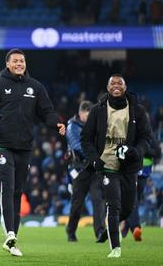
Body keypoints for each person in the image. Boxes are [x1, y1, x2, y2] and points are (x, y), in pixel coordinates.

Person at [0, 49, 65, 257]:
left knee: (18, 192)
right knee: (7, 187)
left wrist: (56, 124)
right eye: (16, 61)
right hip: (2, 145)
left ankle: (12, 239)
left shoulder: (35, 87)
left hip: (25, 147)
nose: (20, 64)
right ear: (7, 64)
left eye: (22, 61)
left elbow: (46, 111)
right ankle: (9, 232)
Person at [81, 74, 153, 258]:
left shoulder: (137, 110)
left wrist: (136, 151)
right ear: (107, 87)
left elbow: (146, 137)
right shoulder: (97, 110)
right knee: (113, 205)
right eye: (112, 83)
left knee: (128, 208)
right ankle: (115, 247)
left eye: (119, 83)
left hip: (129, 166)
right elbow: (86, 139)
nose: (116, 86)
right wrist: (95, 159)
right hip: (107, 165)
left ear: (125, 87)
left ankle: (109, 229)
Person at [65, 100, 106, 242]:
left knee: (98, 199)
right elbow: (77, 146)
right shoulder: (72, 126)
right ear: (81, 113)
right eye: (87, 116)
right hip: (80, 169)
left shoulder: (95, 125)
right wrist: (97, 156)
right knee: (77, 203)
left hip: (94, 169)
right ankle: (70, 231)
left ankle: (100, 232)